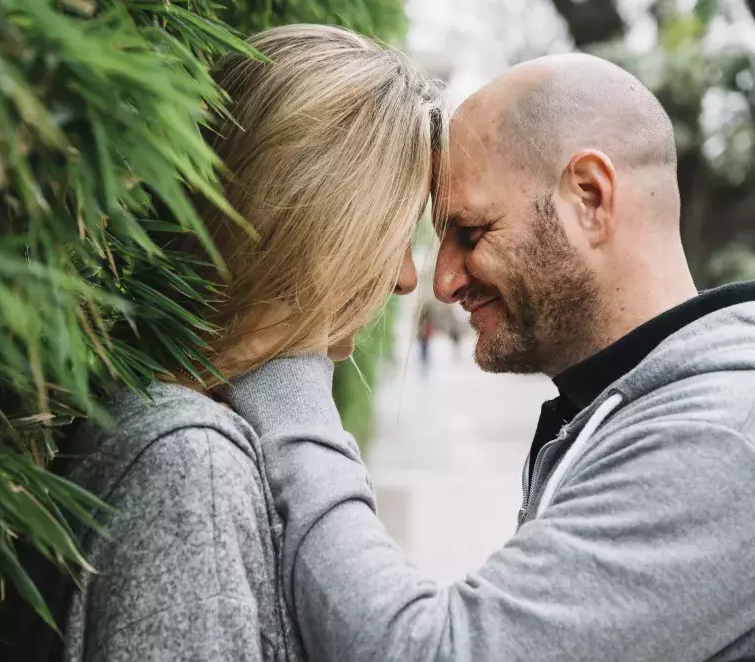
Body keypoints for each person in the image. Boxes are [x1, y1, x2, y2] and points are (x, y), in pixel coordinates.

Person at [224, 53, 755, 661]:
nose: (442, 281)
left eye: (470, 232)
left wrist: (283, 372)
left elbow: (433, 653)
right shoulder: (638, 407)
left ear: (588, 196)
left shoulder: (718, 435)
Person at [34, 25, 445, 662]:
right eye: (390, 234)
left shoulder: (188, 425)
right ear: (317, 223)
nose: (405, 278)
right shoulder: (191, 462)